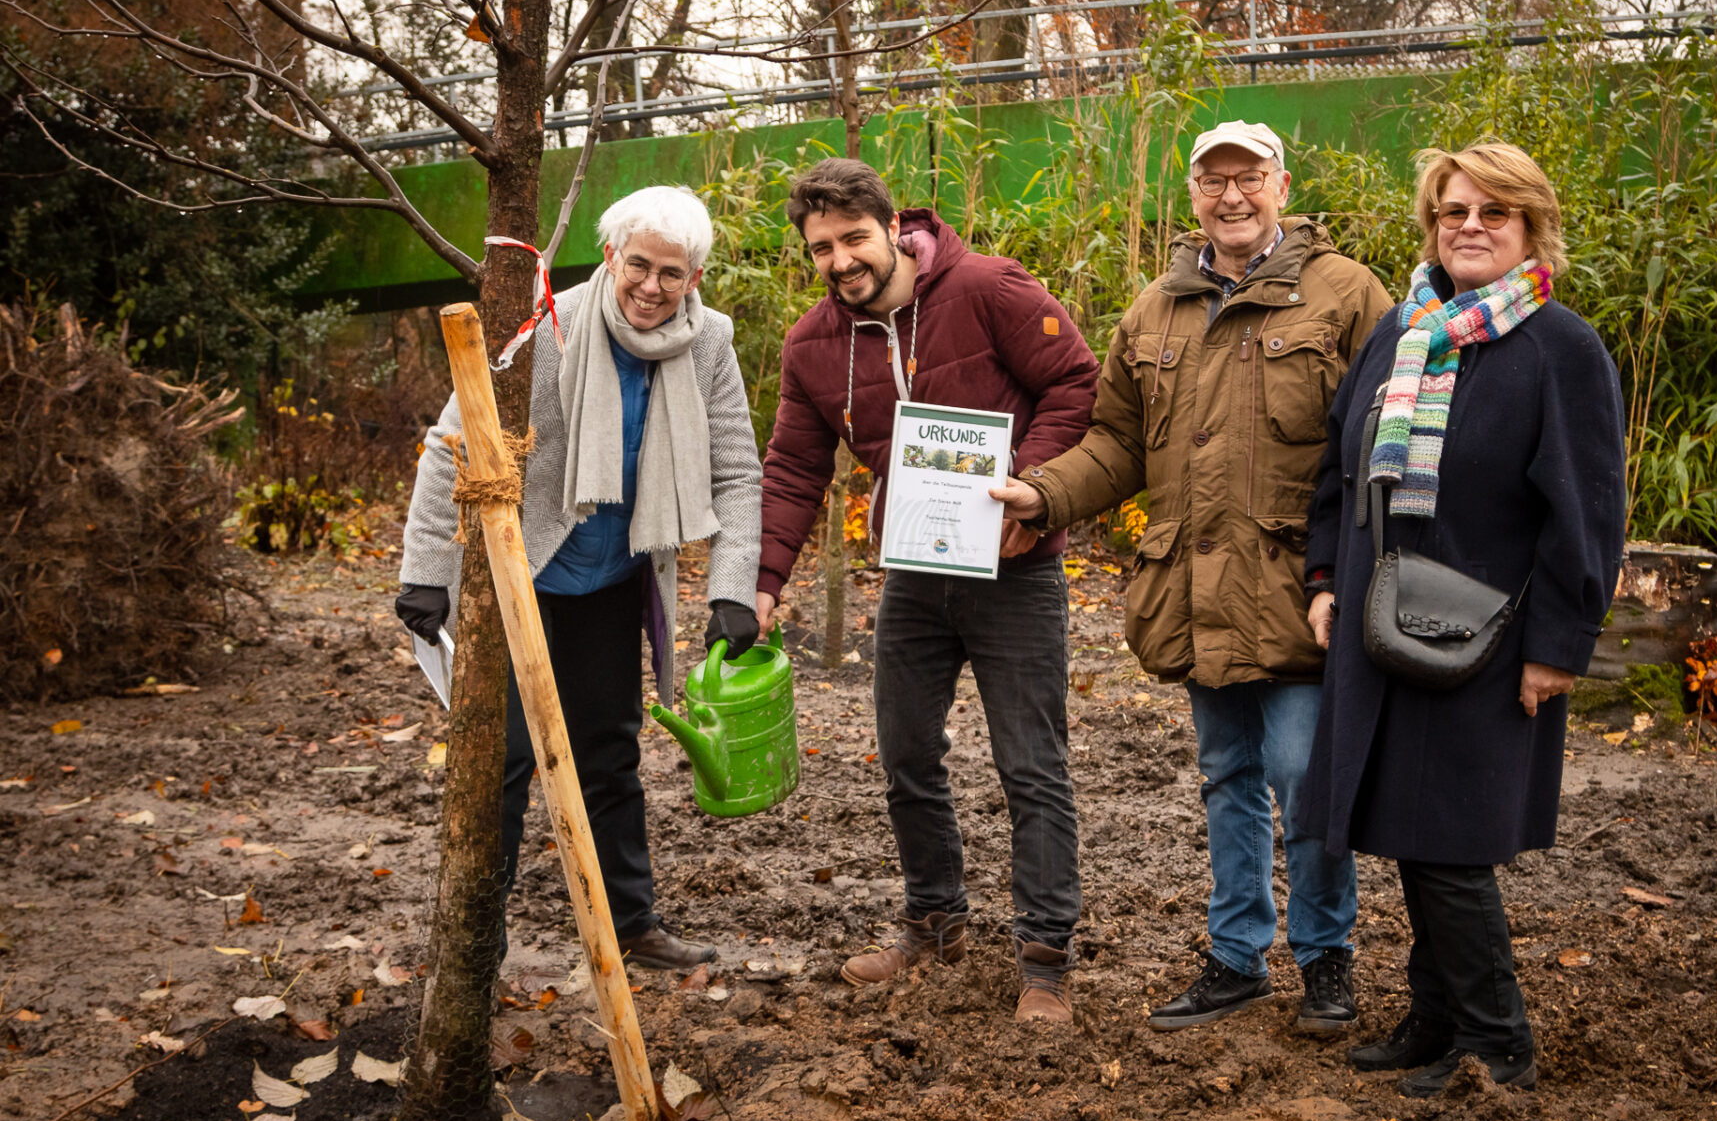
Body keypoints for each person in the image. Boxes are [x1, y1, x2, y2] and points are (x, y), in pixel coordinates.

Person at [993, 120, 1392, 1032]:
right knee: (1227, 773)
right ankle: (1237, 955)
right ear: (1194, 196)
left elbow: (1385, 435)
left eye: (1248, 178)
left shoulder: (1344, 294)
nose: (1232, 197)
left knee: (1302, 772)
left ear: (1281, 186)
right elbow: (1119, 442)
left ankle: (1327, 957)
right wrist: (1042, 494)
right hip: (1197, 591)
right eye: (1214, 182)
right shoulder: (1157, 309)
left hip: (1302, 585)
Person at [1298, 143, 1627, 1096]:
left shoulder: (1559, 347)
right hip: (1381, 621)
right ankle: (1435, 1021)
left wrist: (1560, 646)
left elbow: (1588, 510)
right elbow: (1339, 465)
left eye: (1492, 212)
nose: (1469, 227)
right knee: (1411, 828)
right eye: (1451, 211)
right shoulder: (1403, 333)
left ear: (1530, 227)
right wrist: (1324, 574)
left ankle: (1497, 1043)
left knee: (1450, 843)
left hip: (1487, 637)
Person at [755, 158, 1098, 1023]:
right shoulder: (812, 346)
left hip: (1014, 567)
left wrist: (1034, 484)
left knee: (1031, 763)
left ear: (890, 227)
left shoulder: (987, 288)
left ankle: (1045, 960)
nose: (840, 261)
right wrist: (760, 585)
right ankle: (935, 918)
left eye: (853, 239)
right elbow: (795, 468)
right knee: (906, 753)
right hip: (914, 571)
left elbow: (1077, 384)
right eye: (821, 248)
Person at [394, 186, 763, 971]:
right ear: (609, 256)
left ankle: (633, 926)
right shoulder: (545, 327)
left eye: (674, 272)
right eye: (640, 265)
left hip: (614, 578)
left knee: (608, 753)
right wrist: (427, 572)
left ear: (694, 277)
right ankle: (473, 946)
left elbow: (736, 472)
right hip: (521, 576)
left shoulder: (709, 343)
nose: (653, 287)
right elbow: (447, 444)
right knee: (504, 761)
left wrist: (734, 585)